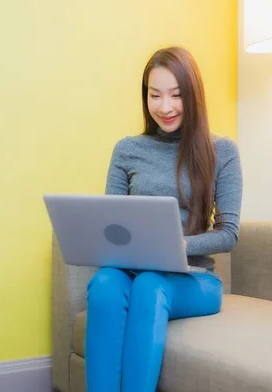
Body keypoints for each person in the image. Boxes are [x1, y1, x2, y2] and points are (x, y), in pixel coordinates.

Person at [85, 46, 243, 392]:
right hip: (131, 271)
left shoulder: (222, 151)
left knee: (150, 285)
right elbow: (113, 224)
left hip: (194, 279)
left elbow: (229, 233)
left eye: (176, 95)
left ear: (193, 95)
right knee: (105, 284)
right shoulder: (127, 149)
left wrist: (177, 245)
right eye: (155, 95)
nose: (165, 106)